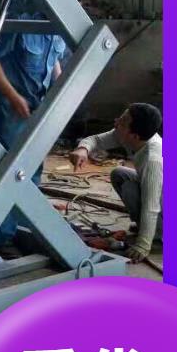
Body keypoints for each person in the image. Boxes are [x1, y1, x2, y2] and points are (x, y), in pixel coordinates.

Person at [0, 0, 69, 259]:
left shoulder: (58, 29)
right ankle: (0, 237)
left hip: (34, 107)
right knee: (10, 172)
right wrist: (13, 97)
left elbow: (54, 63)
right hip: (7, 107)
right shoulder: (20, 22)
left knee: (32, 171)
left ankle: (22, 230)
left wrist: (60, 93)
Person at [70, 103, 162, 263]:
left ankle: (157, 235)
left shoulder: (152, 159)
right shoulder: (136, 135)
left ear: (134, 136)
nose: (116, 121)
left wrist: (143, 245)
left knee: (131, 189)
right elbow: (96, 140)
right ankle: (146, 227)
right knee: (119, 174)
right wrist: (83, 149)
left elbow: (151, 206)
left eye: (123, 121)